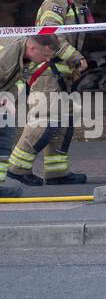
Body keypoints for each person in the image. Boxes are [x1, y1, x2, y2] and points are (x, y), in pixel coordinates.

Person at [6, 30, 86, 186]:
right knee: (45, 120)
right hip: (47, 71)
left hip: (59, 71)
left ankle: (56, 172)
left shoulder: (72, 6)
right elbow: (49, 34)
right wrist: (75, 57)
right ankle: (17, 168)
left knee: (64, 122)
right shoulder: (55, 4)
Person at [0, 34, 60, 195]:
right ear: (32, 48)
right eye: (45, 55)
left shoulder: (23, 55)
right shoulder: (9, 55)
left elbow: (11, 82)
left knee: (5, 138)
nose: (46, 61)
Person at [38, 0, 97, 81]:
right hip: (48, 73)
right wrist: (76, 57)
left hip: (65, 72)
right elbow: (51, 36)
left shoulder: (79, 6)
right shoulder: (57, 2)